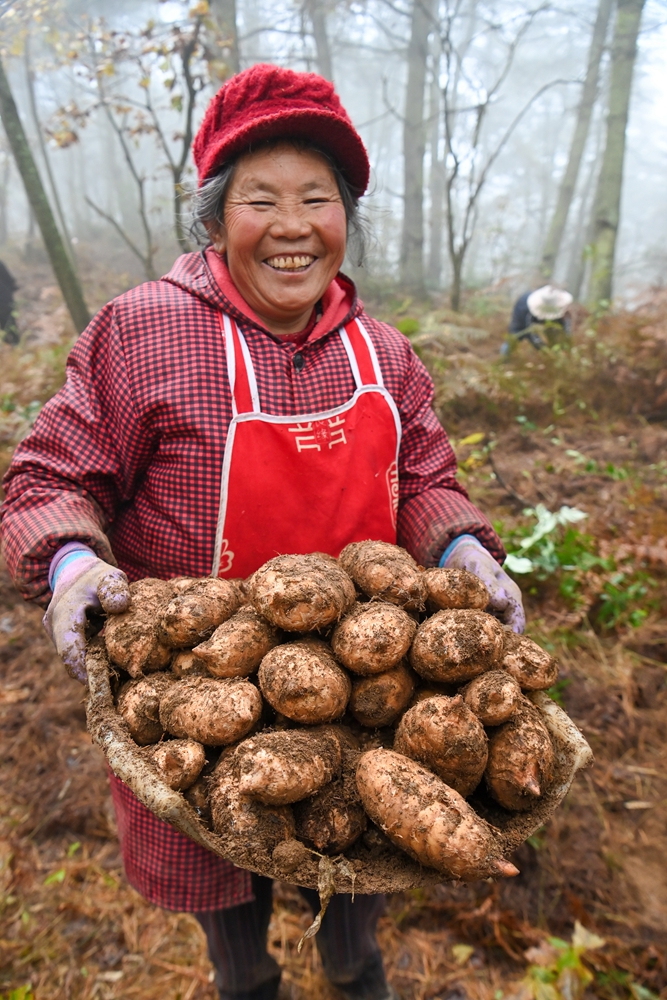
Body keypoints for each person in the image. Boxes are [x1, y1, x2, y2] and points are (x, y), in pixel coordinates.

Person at [0, 64, 525, 1000]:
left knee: (359, 861)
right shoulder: (142, 332)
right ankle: (245, 980)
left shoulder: (385, 352)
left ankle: (355, 970)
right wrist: (73, 564)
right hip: (194, 686)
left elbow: (426, 480)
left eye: (316, 197)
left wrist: (459, 546)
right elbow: (50, 476)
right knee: (224, 884)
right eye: (260, 200)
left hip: (370, 696)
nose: (292, 226)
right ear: (213, 218)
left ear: (345, 217)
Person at [502, 284, 573, 355]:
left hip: (545, 321)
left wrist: (566, 345)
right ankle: (504, 359)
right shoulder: (525, 307)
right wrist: (544, 350)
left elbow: (566, 328)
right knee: (514, 338)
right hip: (522, 319)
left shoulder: (561, 309)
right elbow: (532, 333)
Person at [0, 259, 19, 345]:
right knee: (10, 321)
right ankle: (15, 342)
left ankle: (7, 343)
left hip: (4, 298)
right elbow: (10, 280)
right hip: (5, 298)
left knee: (5, 323)